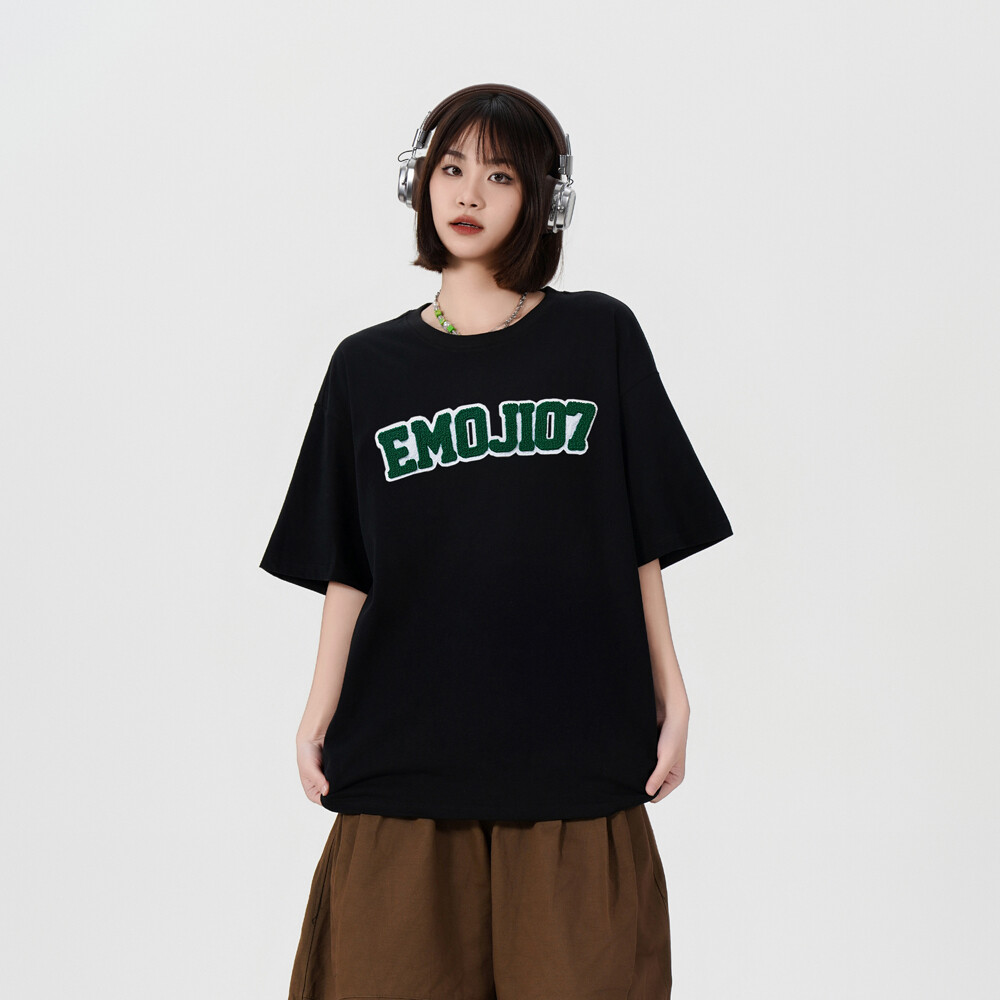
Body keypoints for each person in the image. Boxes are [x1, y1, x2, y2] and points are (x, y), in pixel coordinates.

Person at [260, 82, 733, 1000]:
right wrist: (317, 712)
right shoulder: (366, 367)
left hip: (576, 760)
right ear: (419, 183)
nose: (469, 194)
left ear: (543, 200)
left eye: (501, 175)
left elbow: (640, 533)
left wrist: (673, 691)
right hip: (403, 762)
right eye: (450, 168)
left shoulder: (598, 335)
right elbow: (347, 565)